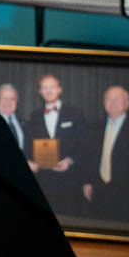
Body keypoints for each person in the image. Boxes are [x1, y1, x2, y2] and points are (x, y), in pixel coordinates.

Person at [82, 83, 129, 220]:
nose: (113, 102)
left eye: (118, 98)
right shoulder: (94, 127)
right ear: (103, 103)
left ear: (127, 103)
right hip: (99, 191)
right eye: (109, 98)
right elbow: (89, 157)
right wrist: (87, 181)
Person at [28, 71, 84, 218]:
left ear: (60, 89)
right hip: (43, 183)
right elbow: (28, 145)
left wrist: (71, 160)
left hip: (69, 181)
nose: (48, 90)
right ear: (40, 92)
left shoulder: (75, 113)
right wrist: (30, 162)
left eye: (52, 86)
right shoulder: (34, 116)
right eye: (44, 87)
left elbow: (84, 144)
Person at [0, 82, 29, 155]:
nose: (8, 102)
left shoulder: (24, 123)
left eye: (12, 99)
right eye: (4, 99)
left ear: (16, 102)